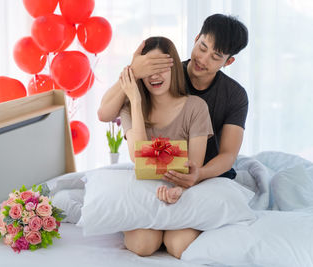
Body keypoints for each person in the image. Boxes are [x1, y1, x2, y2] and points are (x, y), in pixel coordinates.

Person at [98, 14, 249, 257]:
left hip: (203, 173)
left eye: (215, 56)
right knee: (143, 243)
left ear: (228, 62)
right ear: (196, 38)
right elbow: (106, 114)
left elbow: (228, 154)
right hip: (154, 172)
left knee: (179, 243)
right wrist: (134, 71)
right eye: (202, 47)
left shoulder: (232, 96)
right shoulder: (160, 73)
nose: (203, 59)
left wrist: (197, 175)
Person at [119, 36, 213, 258]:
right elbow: (137, 156)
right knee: (144, 244)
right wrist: (134, 99)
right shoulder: (129, 107)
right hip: (144, 193)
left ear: (174, 68)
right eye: (148, 68)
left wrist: (176, 190)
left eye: (160, 67)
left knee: (179, 245)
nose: (154, 75)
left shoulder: (196, 107)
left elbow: (193, 167)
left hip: (182, 191)